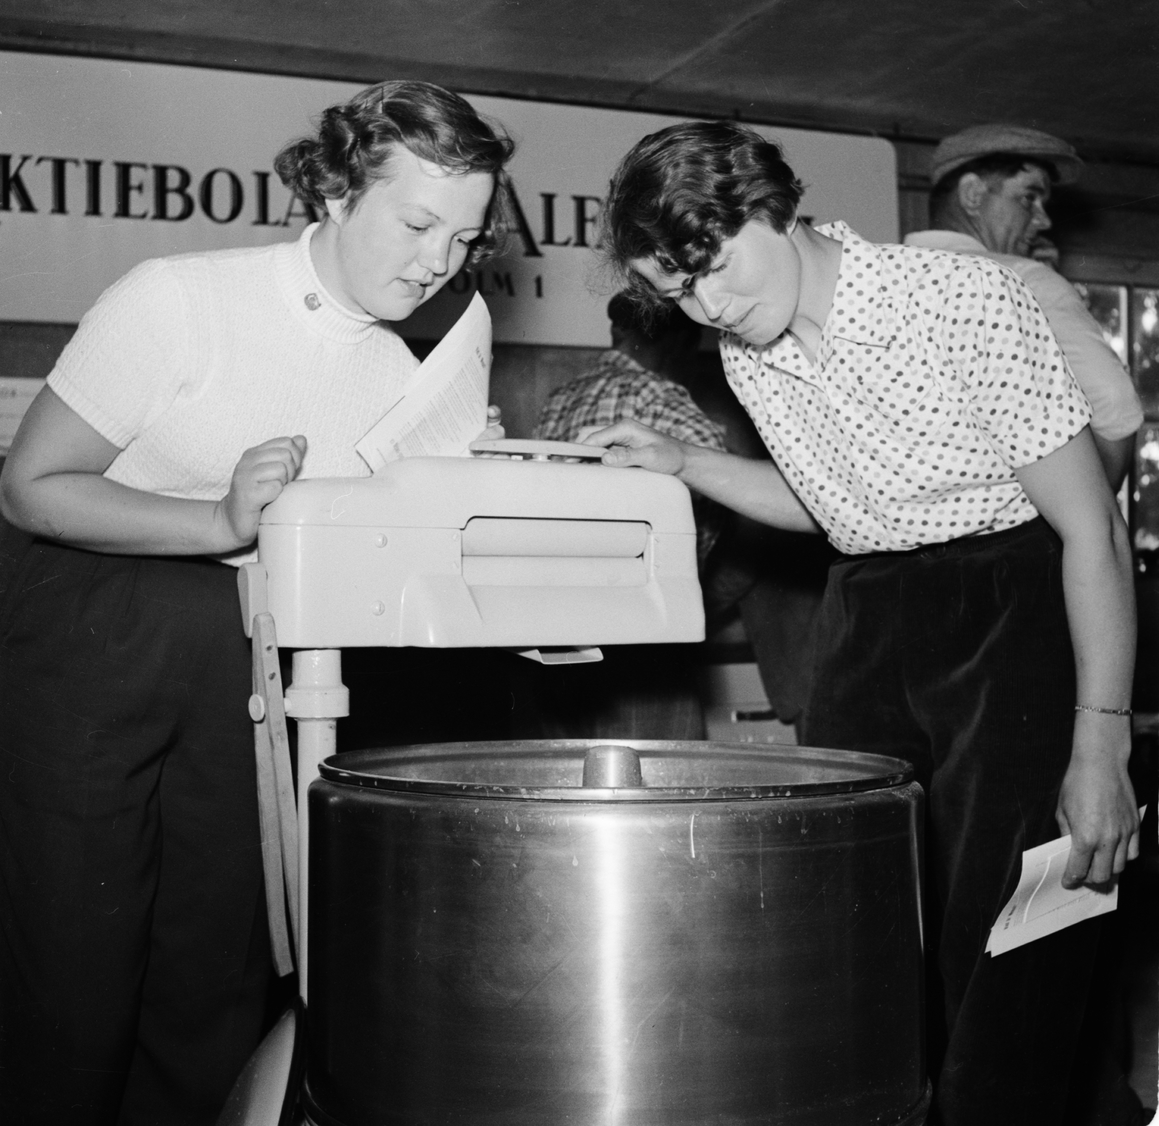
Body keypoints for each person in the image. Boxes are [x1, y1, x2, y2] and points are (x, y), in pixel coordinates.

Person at [583, 120, 1139, 1126]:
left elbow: (1089, 524)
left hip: (1012, 608)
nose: (707, 305)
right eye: (677, 292)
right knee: (852, 923)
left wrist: (1100, 743)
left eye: (709, 270)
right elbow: (845, 503)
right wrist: (683, 464)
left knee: (1025, 927)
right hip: (868, 614)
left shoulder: (963, 301)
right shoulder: (752, 345)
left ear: (768, 206)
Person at [0, 80, 513, 1126]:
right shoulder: (179, 297)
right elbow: (30, 487)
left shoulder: (440, 345)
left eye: (463, 239)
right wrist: (218, 522)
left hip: (258, 644)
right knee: (72, 958)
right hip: (90, 618)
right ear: (333, 190)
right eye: (416, 223)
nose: (437, 261)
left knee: (220, 962)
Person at [903, 122, 1141, 488]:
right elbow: (1113, 403)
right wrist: (1093, 510)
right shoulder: (1024, 279)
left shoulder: (882, 277)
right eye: (1028, 198)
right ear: (972, 194)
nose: (1043, 219)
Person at [536, 291, 729, 565]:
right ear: (684, 342)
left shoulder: (560, 397)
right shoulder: (659, 395)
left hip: (561, 571)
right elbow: (715, 484)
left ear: (618, 332)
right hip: (640, 581)